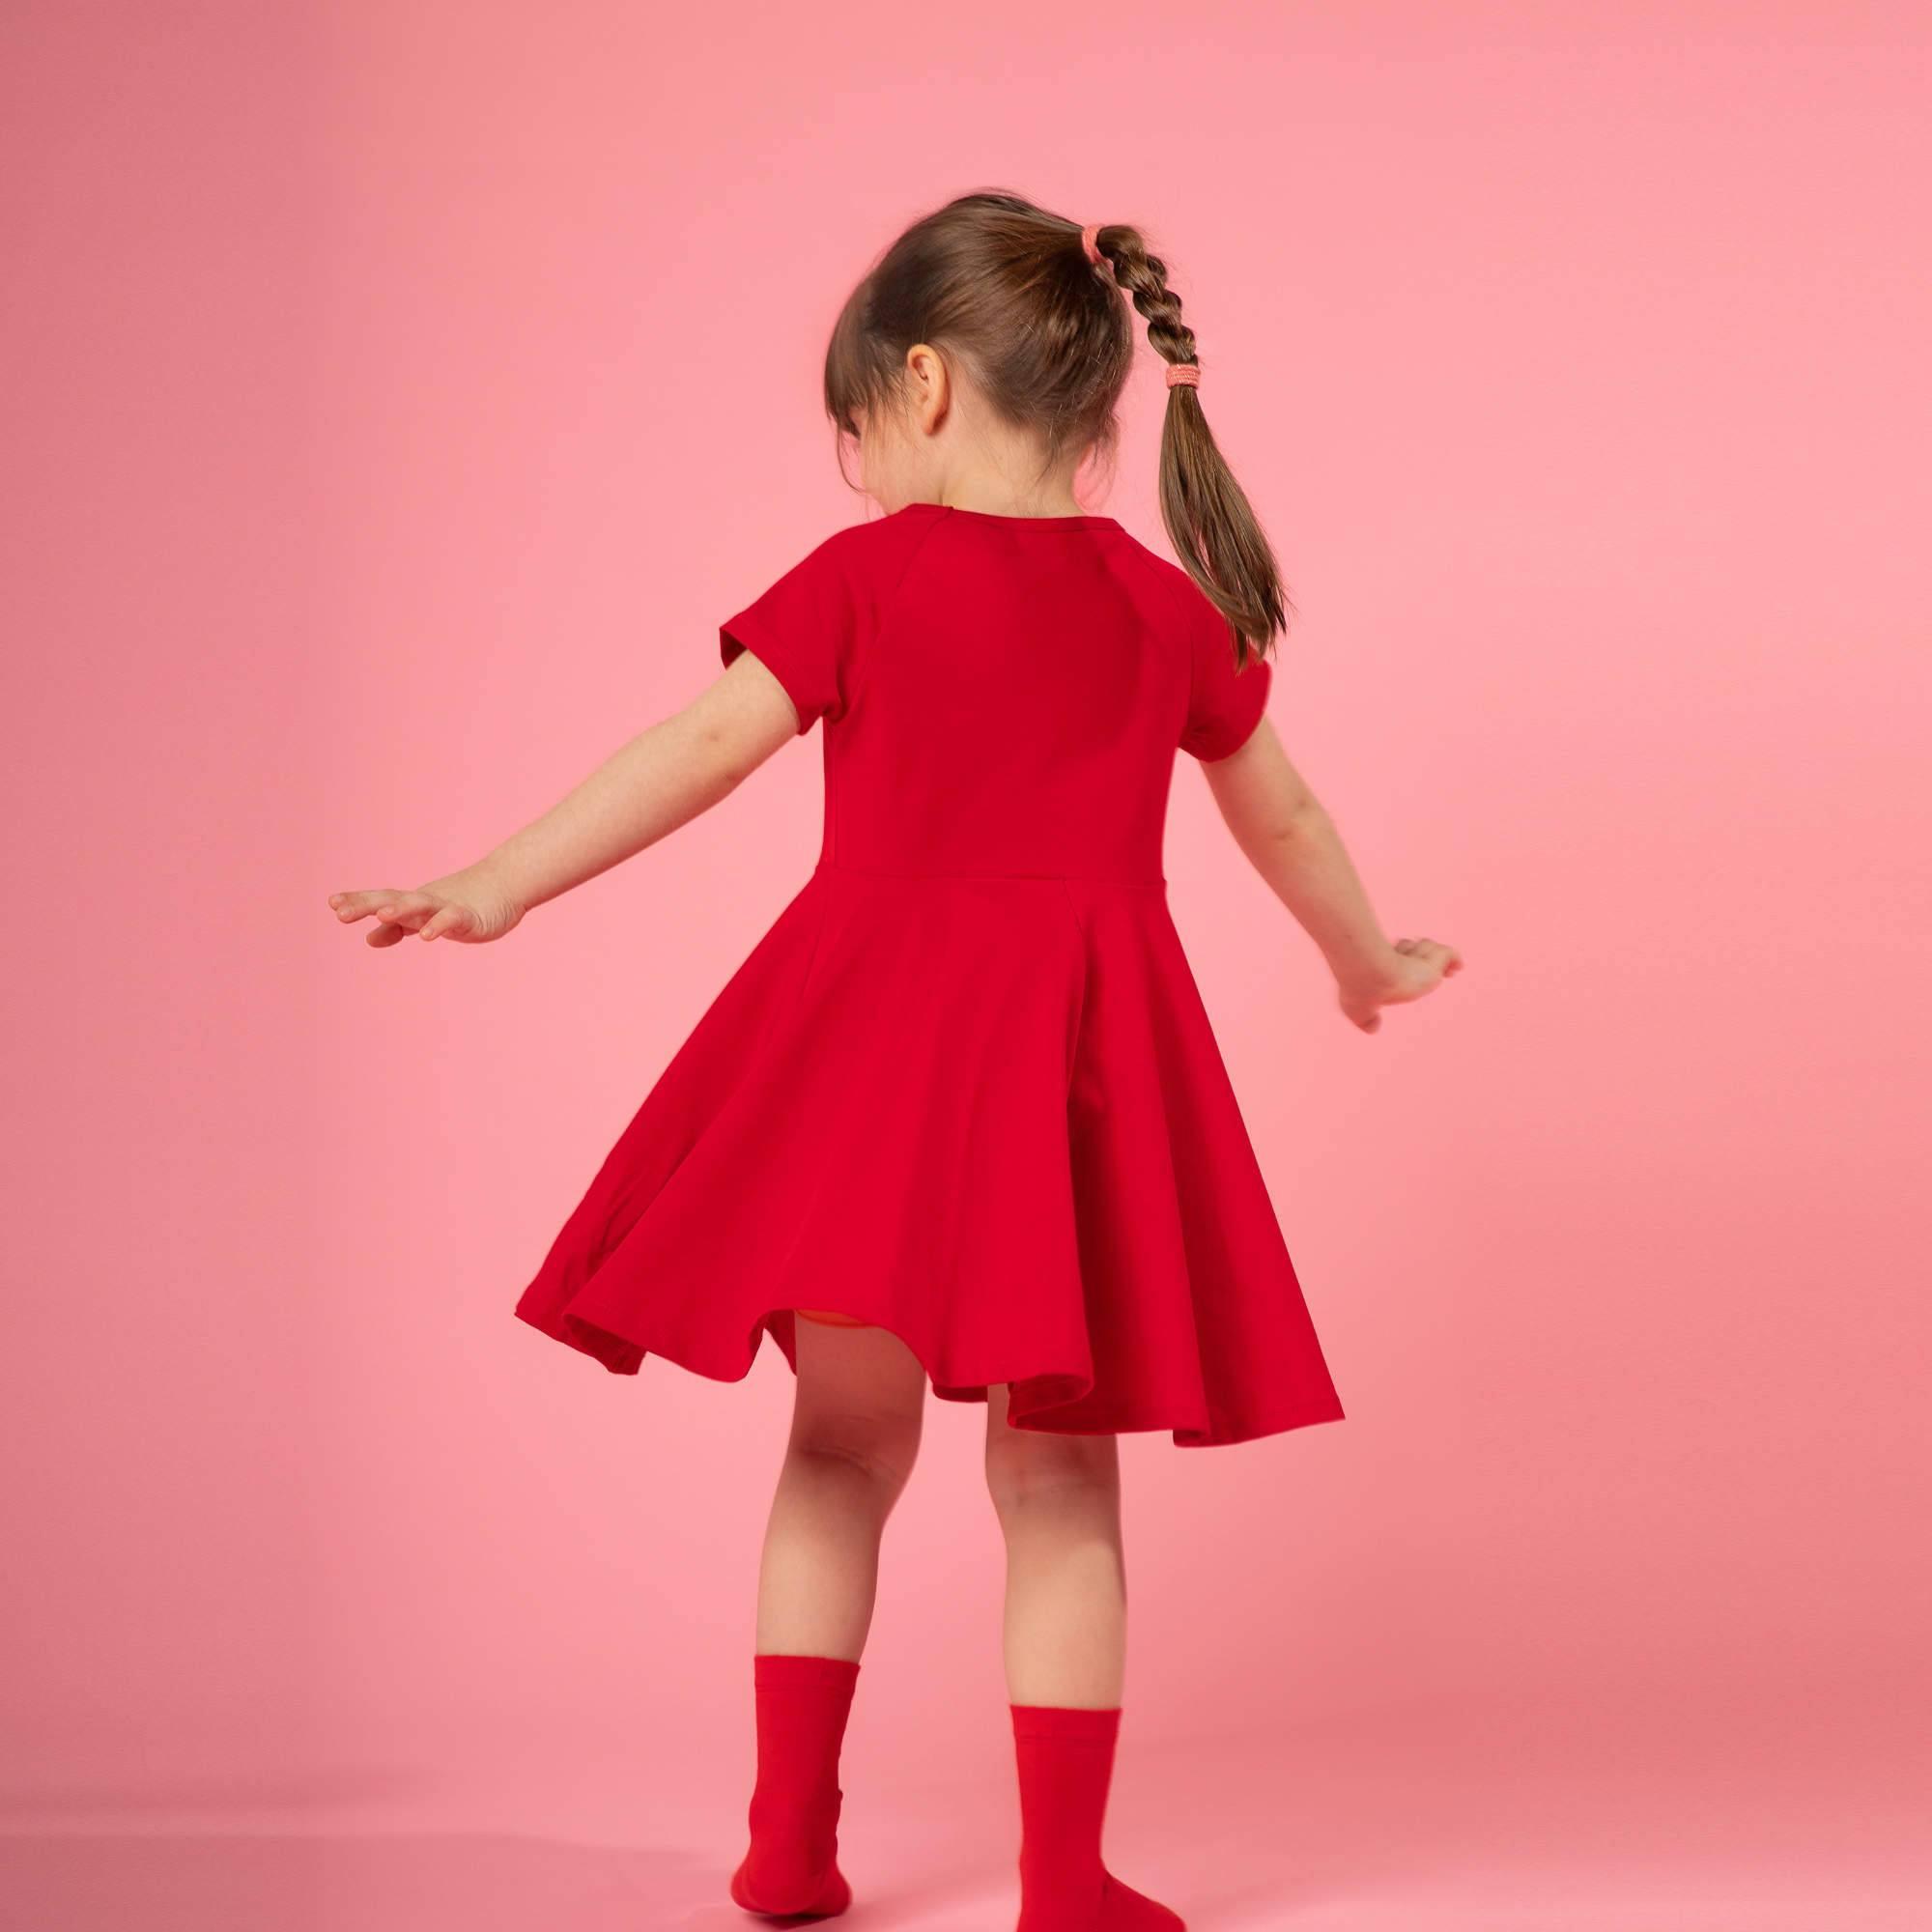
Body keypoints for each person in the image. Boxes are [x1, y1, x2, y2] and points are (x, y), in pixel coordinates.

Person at [327, 190, 1462, 1932]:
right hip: (1084, 1067)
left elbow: (700, 747)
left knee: (838, 1455)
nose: (849, 462)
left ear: (921, 386)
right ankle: (1065, 1881)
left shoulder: (870, 576)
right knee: (1062, 1478)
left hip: (868, 1063)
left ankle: (790, 1846)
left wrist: (501, 885)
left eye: (848, 426)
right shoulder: (1167, 609)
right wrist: (1364, 960)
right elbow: (1284, 813)